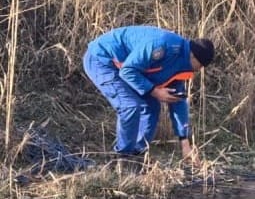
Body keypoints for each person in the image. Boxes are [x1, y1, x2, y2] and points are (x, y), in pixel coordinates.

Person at [82, 25, 215, 162]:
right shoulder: (162, 46)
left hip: (127, 69)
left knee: (151, 108)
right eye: (201, 65)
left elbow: (178, 101)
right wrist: (155, 91)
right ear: (193, 57)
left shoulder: (183, 63)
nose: (200, 70)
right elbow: (128, 71)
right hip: (102, 59)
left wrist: (185, 143)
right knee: (130, 106)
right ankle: (123, 158)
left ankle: (137, 155)